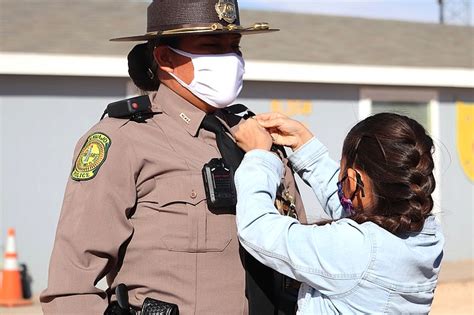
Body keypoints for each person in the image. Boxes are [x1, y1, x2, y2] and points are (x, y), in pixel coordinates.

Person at [40, 1, 307, 314]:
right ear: (165, 57)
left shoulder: (261, 139)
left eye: (234, 46)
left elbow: (302, 252)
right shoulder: (123, 140)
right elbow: (70, 289)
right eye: (211, 46)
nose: (230, 59)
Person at [234, 112, 444, 314]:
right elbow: (358, 208)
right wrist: (304, 145)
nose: (340, 186)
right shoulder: (427, 236)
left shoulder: (356, 249)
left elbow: (258, 228)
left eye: (343, 179)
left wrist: (259, 158)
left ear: (353, 181)